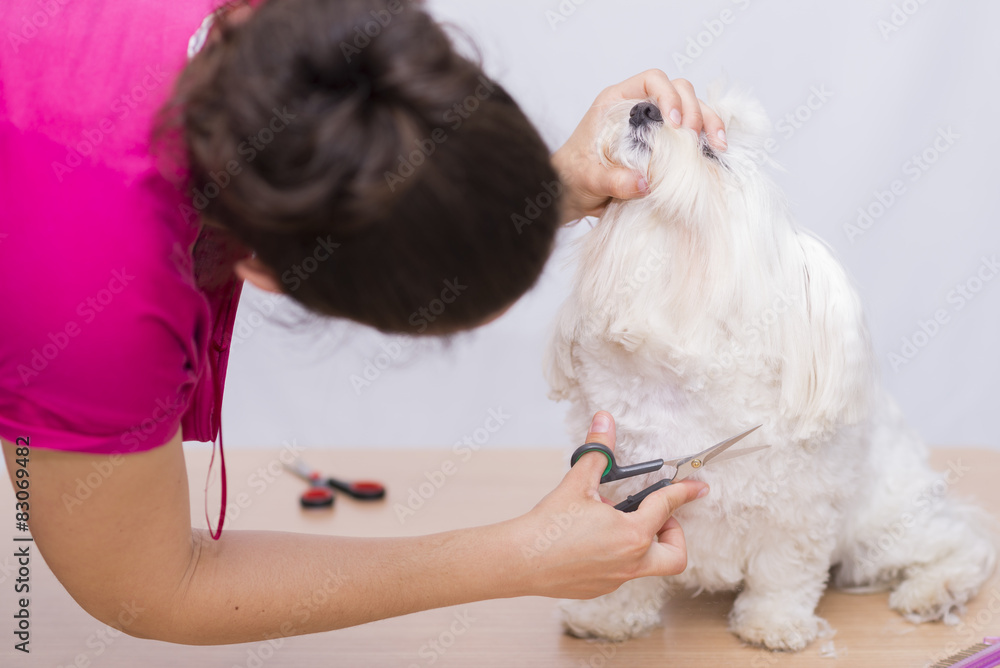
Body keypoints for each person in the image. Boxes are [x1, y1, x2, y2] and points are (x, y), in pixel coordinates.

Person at [0, 0, 727, 644]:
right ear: (260, 272)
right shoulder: (89, 291)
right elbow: (157, 588)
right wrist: (518, 556)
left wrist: (539, 193)